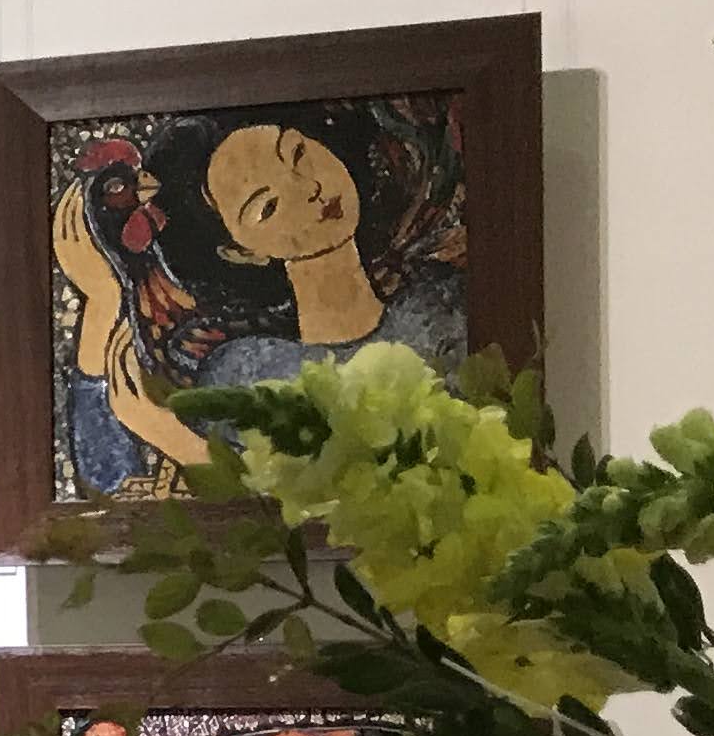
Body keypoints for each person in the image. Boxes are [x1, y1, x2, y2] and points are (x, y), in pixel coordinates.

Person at [49, 103, 469, 494]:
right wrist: (102, 307)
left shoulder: (443, 308)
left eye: (299, 154)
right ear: (241, 252)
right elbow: (109, 487)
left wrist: (176, 441)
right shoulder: (247, 375)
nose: (309, 188)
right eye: (267, 207)